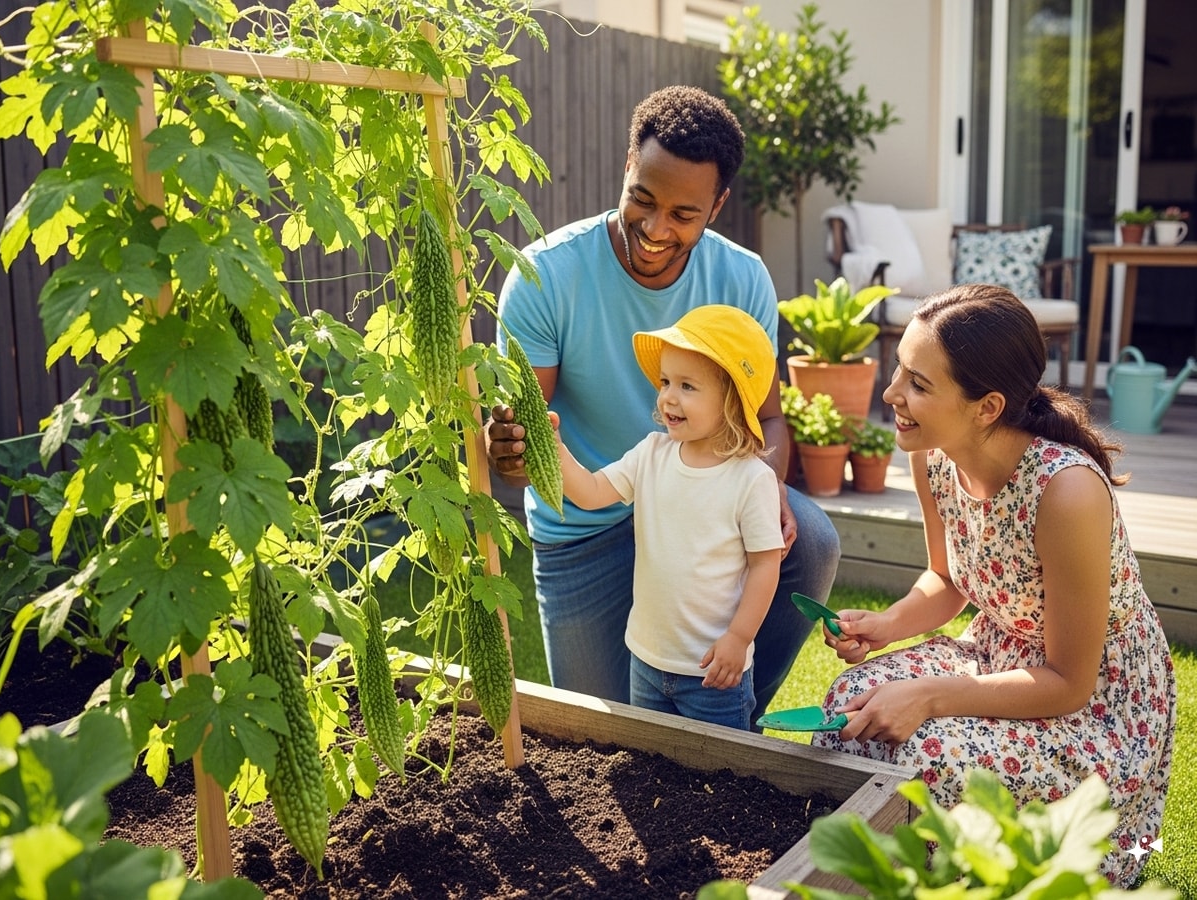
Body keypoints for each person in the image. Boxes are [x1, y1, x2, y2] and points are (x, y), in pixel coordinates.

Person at [485, 84, 841, 721]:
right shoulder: (545, 276)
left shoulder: (741, 278)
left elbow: (769, 420)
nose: (655, 229)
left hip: (704, 511)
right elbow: (527, 439)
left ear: (717, 204)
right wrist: (510, 450)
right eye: (642, 200)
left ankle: (729, 714)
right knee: (600, 738)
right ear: (627, 169)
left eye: (683, 214)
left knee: (810, 540)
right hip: (586, 523)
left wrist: (763, 490)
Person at [809, 283, 1175, 887]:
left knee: (926, 753)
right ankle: (880, 869)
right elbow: (948, 578)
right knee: (856, 697)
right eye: (901, 371)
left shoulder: (1068, 493)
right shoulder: (931, 454)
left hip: (1094, 705)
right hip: (998, 654)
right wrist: (886, 625)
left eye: (920, 385)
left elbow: (1068, 684)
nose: (893, 394)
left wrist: (930, 693)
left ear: (987, 407)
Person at [553, 305, 784, 730]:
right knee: (651, 775)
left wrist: (738, 639)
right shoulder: (651, 453)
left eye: (687, 386)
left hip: (712, 673)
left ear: (731, 398)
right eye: (665, 382)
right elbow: (590, 493)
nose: (668, 397)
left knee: (717, 777)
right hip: (647, 659)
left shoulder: (751, 479)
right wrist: (554, 448)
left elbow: (766, 564)